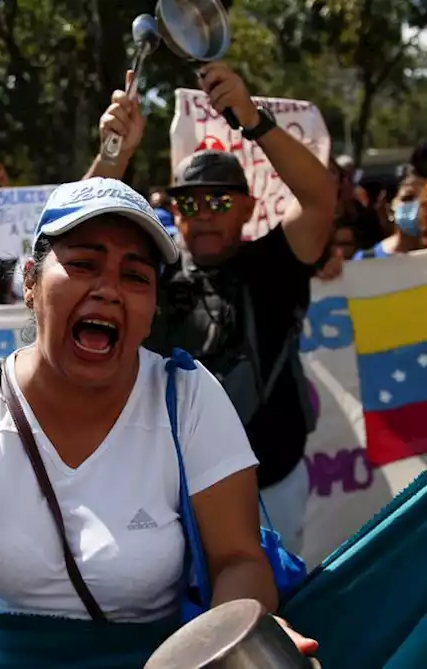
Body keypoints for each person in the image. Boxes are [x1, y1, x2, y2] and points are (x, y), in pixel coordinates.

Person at [0, 179, 317, 654]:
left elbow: (238, 560)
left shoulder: (189, 394)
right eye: (83, 264)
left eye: (135, 276)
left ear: (153, 304)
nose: (109, 290)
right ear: (31, 284)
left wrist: (232, 644)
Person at [84, 63, 337, 554]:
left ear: (248, 208)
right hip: (165, 491)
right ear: (172, 211)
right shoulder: (145, 273)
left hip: (272, 482)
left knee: (275, 612)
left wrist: (251, 118)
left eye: (220, 203)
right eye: (189, 204)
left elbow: (320, 198)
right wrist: (114, 151)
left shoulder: (275, 264)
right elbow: (78, 231)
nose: (204, 214)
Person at [353, 175, 426, 259]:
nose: (415, 206)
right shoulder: (366, 258)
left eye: (421, 200)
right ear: (392, 206)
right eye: (408, 198)